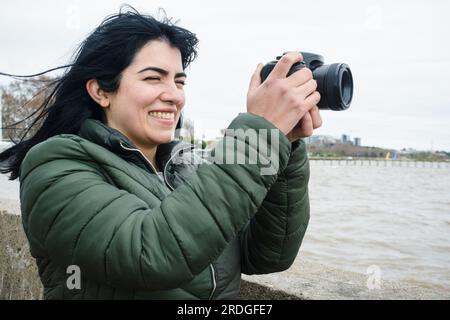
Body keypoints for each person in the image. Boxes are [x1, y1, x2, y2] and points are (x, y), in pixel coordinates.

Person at [0, 7, 322, 300]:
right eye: (153, 78)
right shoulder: (55, 167)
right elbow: (150, 253)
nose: (173, 96)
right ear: (100, 91)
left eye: (179, 81)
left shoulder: (187, 167)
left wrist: (286, 144)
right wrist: (259, 132)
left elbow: (268, 254)